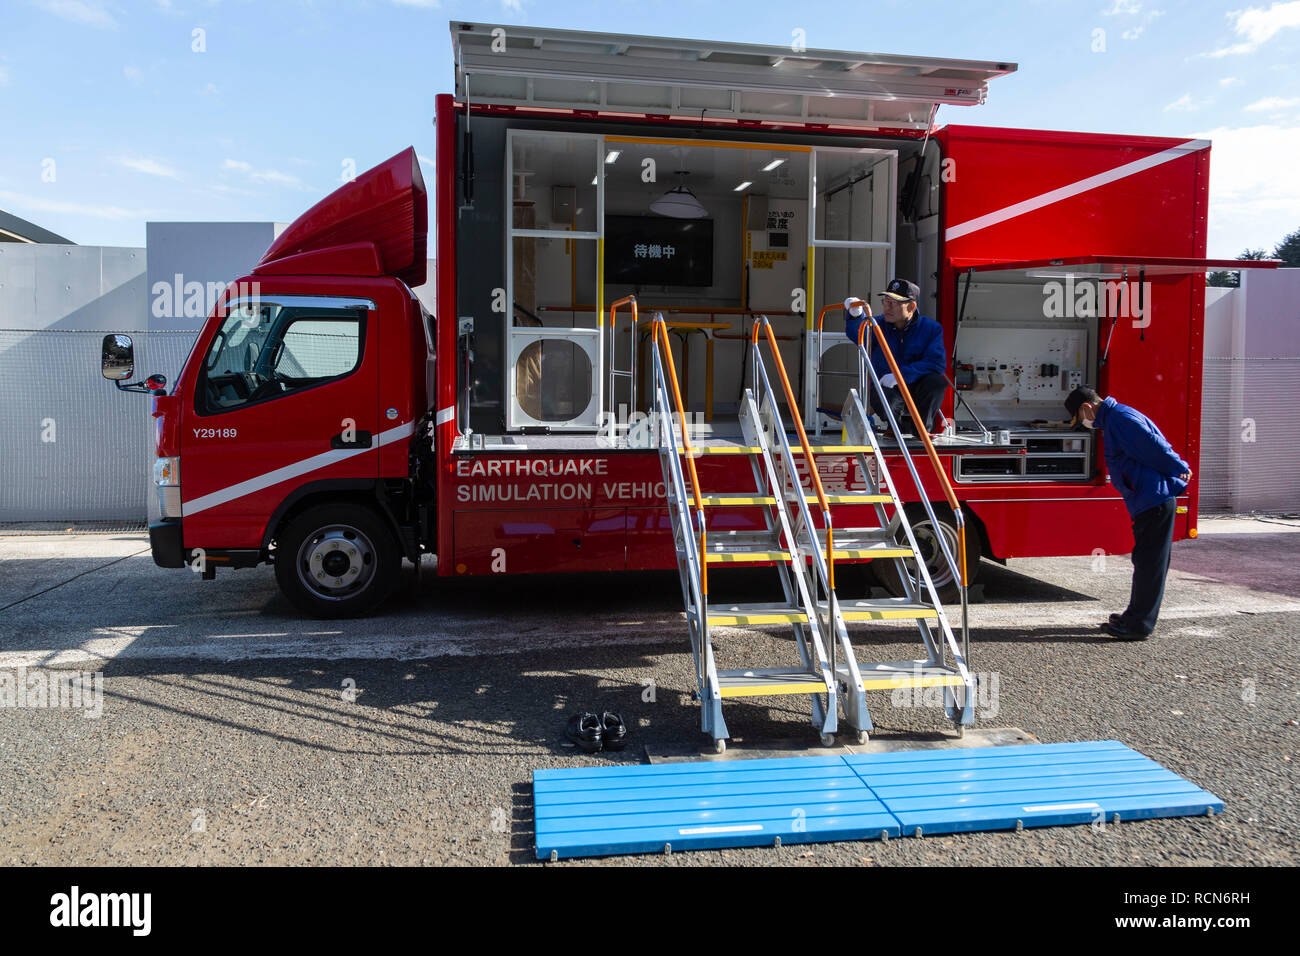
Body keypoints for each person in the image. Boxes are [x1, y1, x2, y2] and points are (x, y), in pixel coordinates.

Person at [1065, 386, 1192, 641]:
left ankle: (1138, 624)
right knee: (1147, 561)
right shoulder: (1117, 417)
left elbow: (1153, 447)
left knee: (1149, 563)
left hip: (1153, 498)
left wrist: (1179, 467)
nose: (1086, 424)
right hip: (1149, 498)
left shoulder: (1119, 419)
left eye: (1082, 418)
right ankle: (1134, 616)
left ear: (1087, 407)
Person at [844, 278, 948, 436]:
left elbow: (935, 363)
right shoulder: (876, 324)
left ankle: (921, 431)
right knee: (883, 397)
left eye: (894, 303)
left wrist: (901, 376)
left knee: (937, 382)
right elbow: (858, 334)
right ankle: (896, 428)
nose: (887, 307)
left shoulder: (930, 328)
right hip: (887, 387)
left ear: (911, 306)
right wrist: (855, 315)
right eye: (886, 301)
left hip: (915, 384)